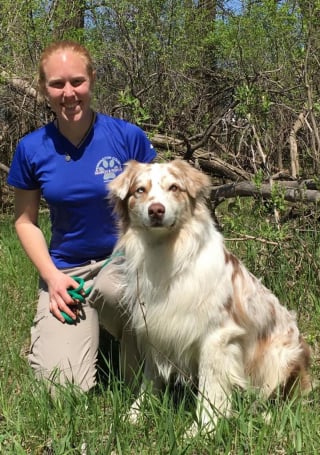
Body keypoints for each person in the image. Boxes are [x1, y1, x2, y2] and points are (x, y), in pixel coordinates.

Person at [7, 40, 156, 392]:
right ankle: (56, 334)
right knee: (61, 389)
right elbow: (24, 221)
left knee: (113, 290)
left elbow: (155, 206)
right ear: (44, 88)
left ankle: (141, 360)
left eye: (77, 81)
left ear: (91, 79)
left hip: (122, 262)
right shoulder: (31, 149)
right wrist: (53, 278)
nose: (69, 93)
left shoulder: (127, 137)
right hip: (66, 272)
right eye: (57, 84)